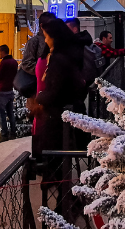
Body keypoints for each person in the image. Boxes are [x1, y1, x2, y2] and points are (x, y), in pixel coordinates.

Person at [35, 19, 88, 153]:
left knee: (54, 156)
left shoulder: (58, 60)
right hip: (67, 115)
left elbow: (57, 92)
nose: (45, 40)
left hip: (58, 120)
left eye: (46, 37)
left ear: (54, 37)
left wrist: (40, 97)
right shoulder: (69, 55)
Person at [20, 12, 55, 76]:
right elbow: (26, 64)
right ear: (41, 26)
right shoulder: (34, 41)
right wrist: (43, 70)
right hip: (37, 79)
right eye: (50, 25)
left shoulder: (56, 39)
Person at [0, 45, 18, 140]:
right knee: (10, 113)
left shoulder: (4, 63)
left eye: (0, 51)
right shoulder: (14, 62)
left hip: (2, 91)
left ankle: (4, 134)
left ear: (3, 51)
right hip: (10, 90)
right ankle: (13, 133)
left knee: (2, 114)